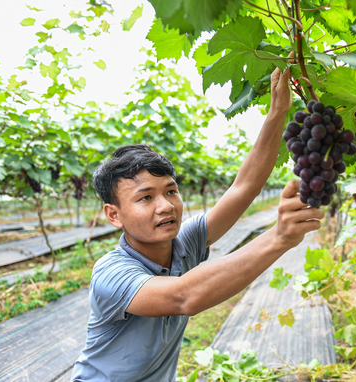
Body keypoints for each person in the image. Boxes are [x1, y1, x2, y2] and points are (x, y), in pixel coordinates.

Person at [71, 67, 324, 381]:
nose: (166, 206)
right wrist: (279, 237)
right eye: (145, 198)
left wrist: (278, 111)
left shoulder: (184, 243)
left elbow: (243, 187)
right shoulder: (111, 273)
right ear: (114, 215)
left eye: (171, 191)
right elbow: (182, 297)